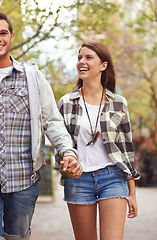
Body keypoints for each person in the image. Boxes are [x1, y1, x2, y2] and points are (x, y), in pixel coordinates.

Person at [0, 10, 82, 240]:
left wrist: (67, 151)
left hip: (23, 180)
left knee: (18, 237)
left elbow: (52, 121)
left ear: (11, 36)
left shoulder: (33, 77)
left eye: (3, 33)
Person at [58, 42, 140, 240]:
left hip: (112, 176)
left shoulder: (119, 103)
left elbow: (126, 150)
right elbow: (61, 144)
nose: (82, 62)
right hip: (79, 180)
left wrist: (132, 193)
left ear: (103, 65)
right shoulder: (66, 103)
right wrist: (64, 167)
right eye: (79, 58)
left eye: (88, 57)